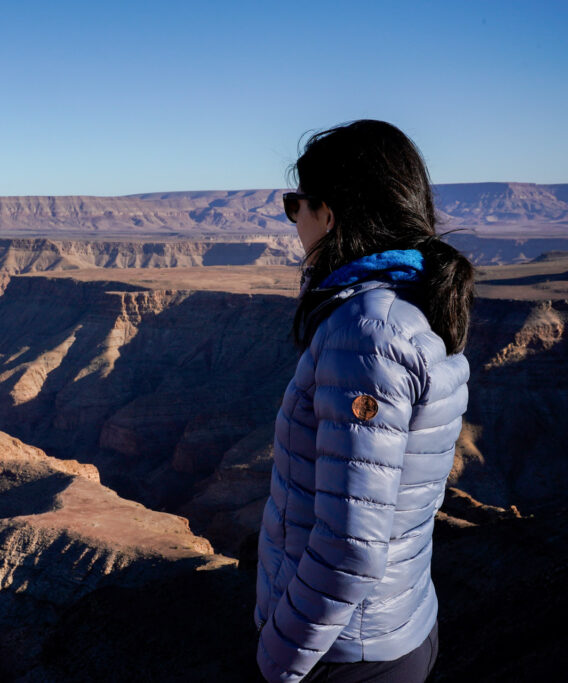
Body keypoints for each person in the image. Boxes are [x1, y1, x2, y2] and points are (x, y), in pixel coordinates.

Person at [254, 120, 474, 682]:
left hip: (346, 654)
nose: (291, 220)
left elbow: (349, 545)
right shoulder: (407, 304)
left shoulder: (368, 333)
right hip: (392, 628)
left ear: (330, 214)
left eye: (293, 204)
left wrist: (279, 660)